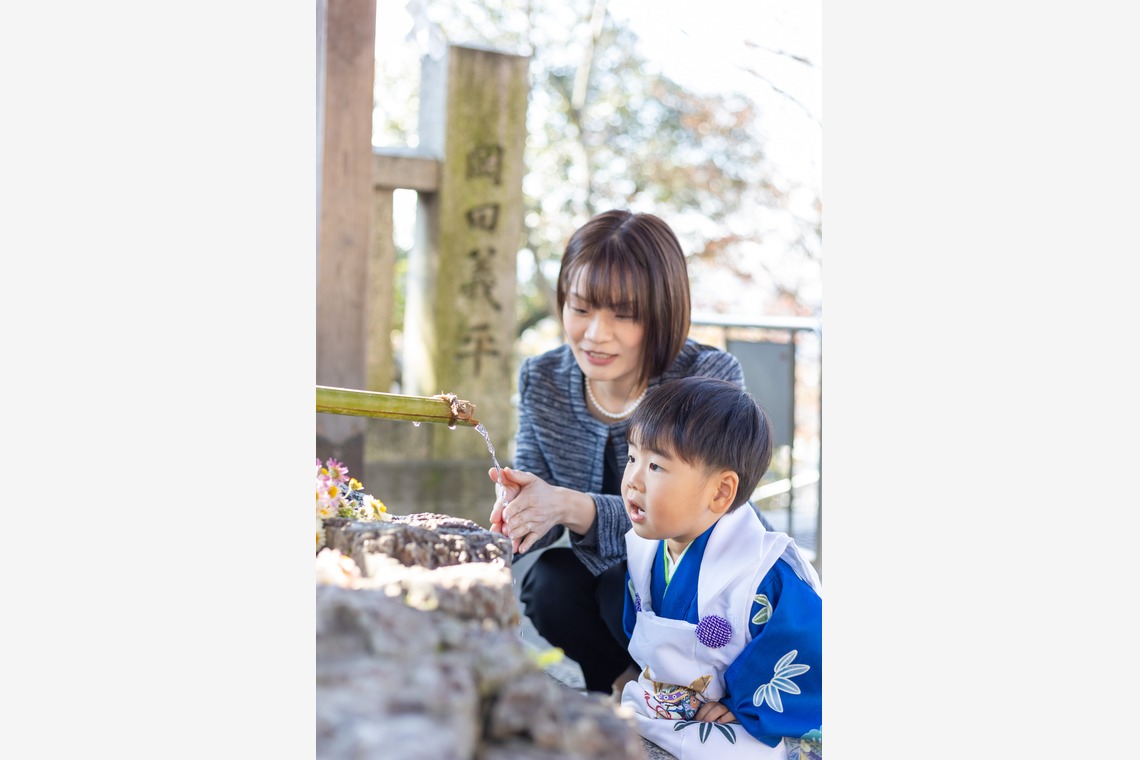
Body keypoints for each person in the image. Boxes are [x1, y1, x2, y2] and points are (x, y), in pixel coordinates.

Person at [486, 209, 772, 694]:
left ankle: (696, 688)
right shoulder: (543, 378)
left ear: (661, 313)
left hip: (692, 577)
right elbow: (538, 502)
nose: (596, 334)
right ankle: (622, 684)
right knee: (550, 583)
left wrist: (572, 506)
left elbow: (695, 517)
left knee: (619, 584)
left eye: (624, 314)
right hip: (599, 580)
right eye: (580, 309)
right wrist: (518, 511)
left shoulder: (706, 375)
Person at [617, 375, 822, 758]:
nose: (634, 481)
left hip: (736, 716)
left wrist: (745, 705)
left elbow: (804, 646)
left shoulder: (764, 571)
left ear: (721, 491)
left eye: (657, 467)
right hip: (666, 703)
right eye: (632, 458)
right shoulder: (646, 552)